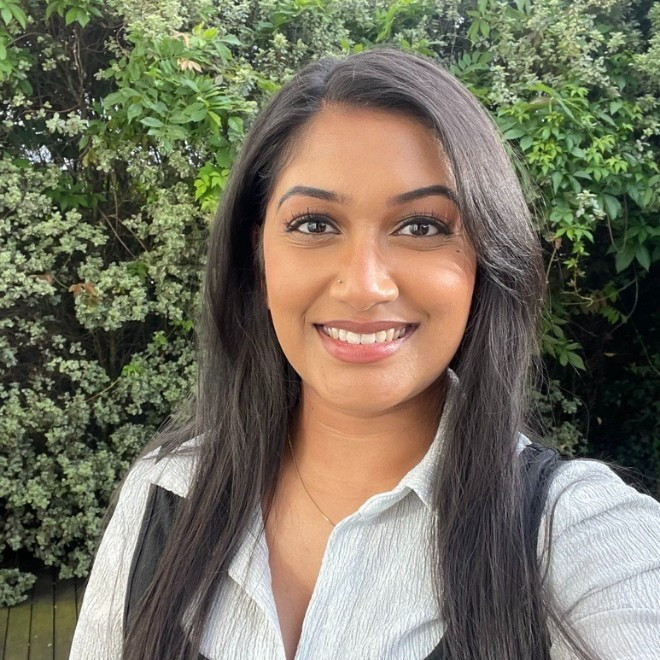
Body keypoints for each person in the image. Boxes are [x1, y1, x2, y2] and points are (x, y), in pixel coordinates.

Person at [70, 47, 660, 660]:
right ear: (259, 253)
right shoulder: (164, 491)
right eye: (314, 224)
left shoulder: (577, 535)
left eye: (422, 226)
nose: (364, 285)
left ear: (487, 256)